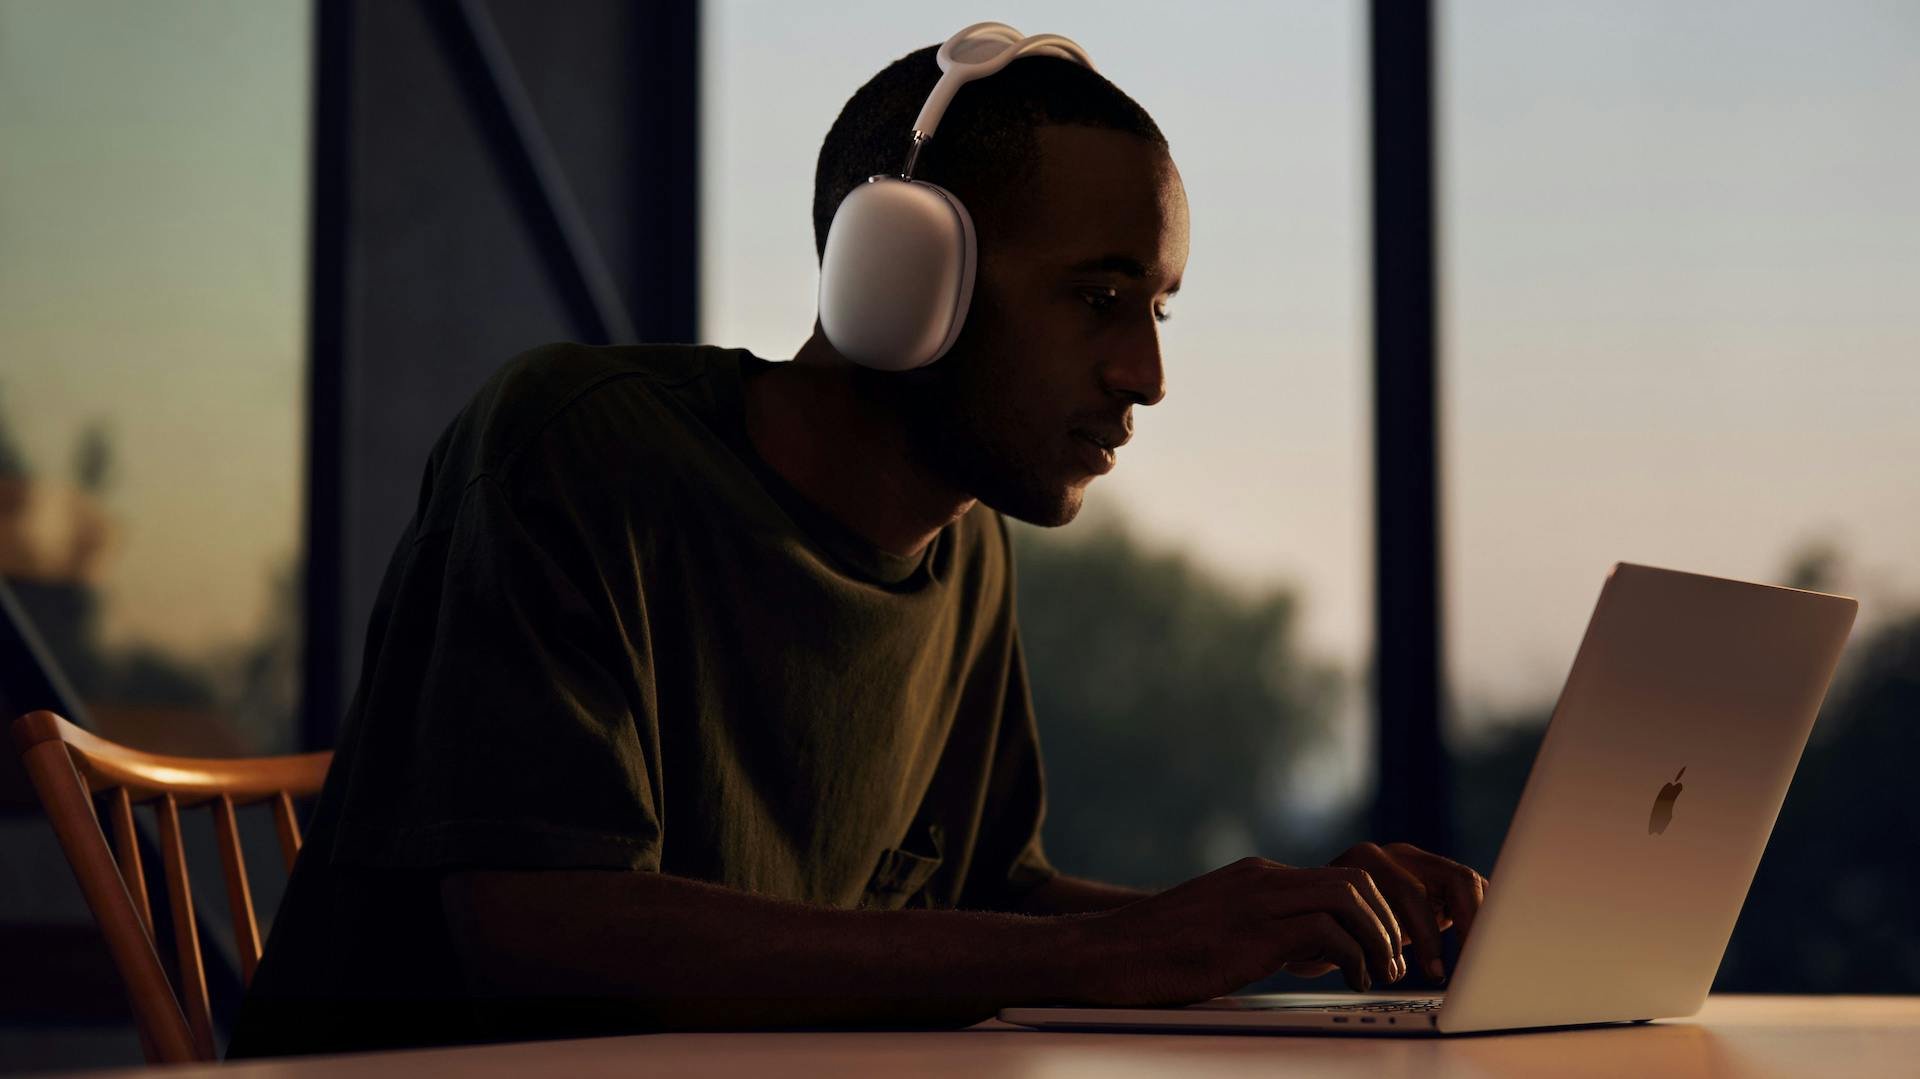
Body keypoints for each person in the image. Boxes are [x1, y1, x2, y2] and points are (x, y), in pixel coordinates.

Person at [229, 38, 1486, 1059]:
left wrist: (1271, 922)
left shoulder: (967, 549)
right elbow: (535, 924)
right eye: (1098, 299)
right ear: (902, 273)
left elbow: (991, 898)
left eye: (1155, 308)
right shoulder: (577, 446)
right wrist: (1116, 953)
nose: (1146, 375)